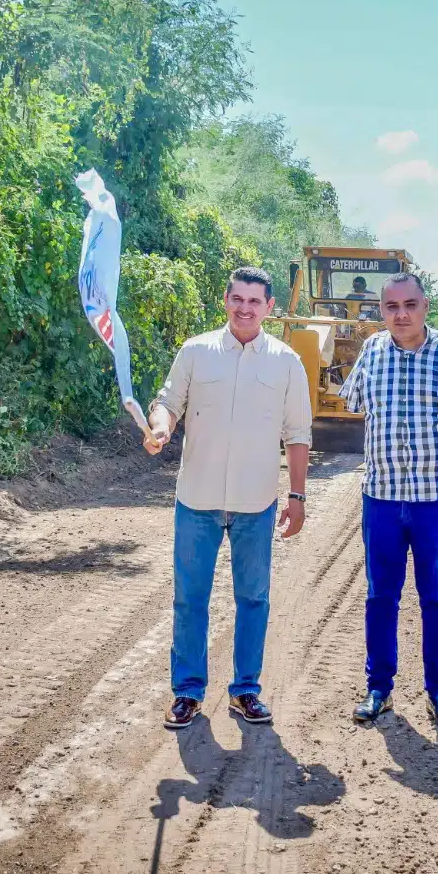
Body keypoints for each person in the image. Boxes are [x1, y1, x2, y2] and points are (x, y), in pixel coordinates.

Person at [144, 266, 313, 731]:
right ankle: (188, 693)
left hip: (255, 502)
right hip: (196, 498)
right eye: (237, 298)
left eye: (254, 301)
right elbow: (168, 402)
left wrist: (296, 494)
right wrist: (161, 427)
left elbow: (298, 433)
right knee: (189, 599)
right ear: (225, 300)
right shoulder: (196, 351)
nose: (245, 308)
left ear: (269, 308)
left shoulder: (286, 362)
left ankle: (245, 691)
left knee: (253, 598)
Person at [340, 272, 438, 730]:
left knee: (436, 597)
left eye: (410, 305)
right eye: (391, 307)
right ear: (381, 311)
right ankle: (379, 689)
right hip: (382, 496)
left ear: (425, 306)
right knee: (380, 596)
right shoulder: (371, 351)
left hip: (435, 500)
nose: (401, 314)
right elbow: (353, 404)